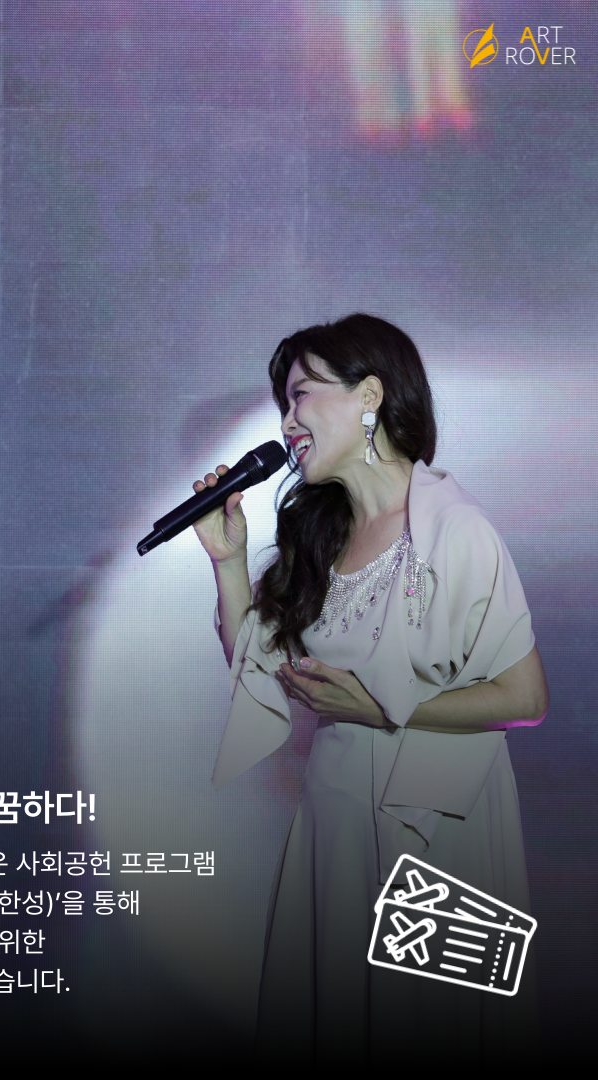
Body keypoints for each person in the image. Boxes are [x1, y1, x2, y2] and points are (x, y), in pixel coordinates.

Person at [192, 314, 548, 1066]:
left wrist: (384, 707)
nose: (287, 421)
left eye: (301, 395)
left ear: (370, 396)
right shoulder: (321, 534)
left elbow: (525, 697)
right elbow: (260, 668)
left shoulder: (455, 528)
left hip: (439, 829)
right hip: (339, 815)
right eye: (283, 404)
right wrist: (226, 562)